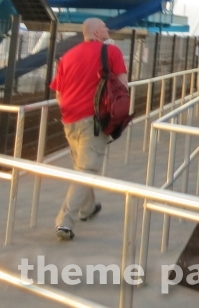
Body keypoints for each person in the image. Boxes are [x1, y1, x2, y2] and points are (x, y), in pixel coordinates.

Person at [49, 17, 128, 241]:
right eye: (104, 26)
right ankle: (65, 221)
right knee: (87, 170)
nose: (108, 28)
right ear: (95, 33)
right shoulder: (111, 53)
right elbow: (122, 87)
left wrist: (69, 112)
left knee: (82, 166)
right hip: (94, 121)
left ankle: (88, 208)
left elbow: (59, 93)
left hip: (69, 121)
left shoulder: (67, 56)